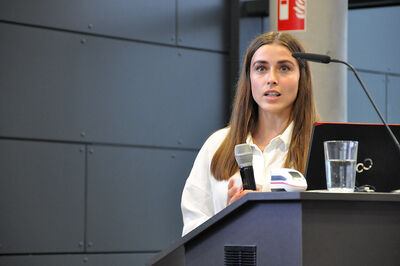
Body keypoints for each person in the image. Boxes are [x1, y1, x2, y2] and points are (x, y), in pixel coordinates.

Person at [180, 31, 319, 236]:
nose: (271, 79)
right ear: (249, 78)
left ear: (302, 77)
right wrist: (230, 218)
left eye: (284, 68)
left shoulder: (318, 147)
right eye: (261, 68)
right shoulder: (217, 144)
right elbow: (193, 229)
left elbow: (330, 227)